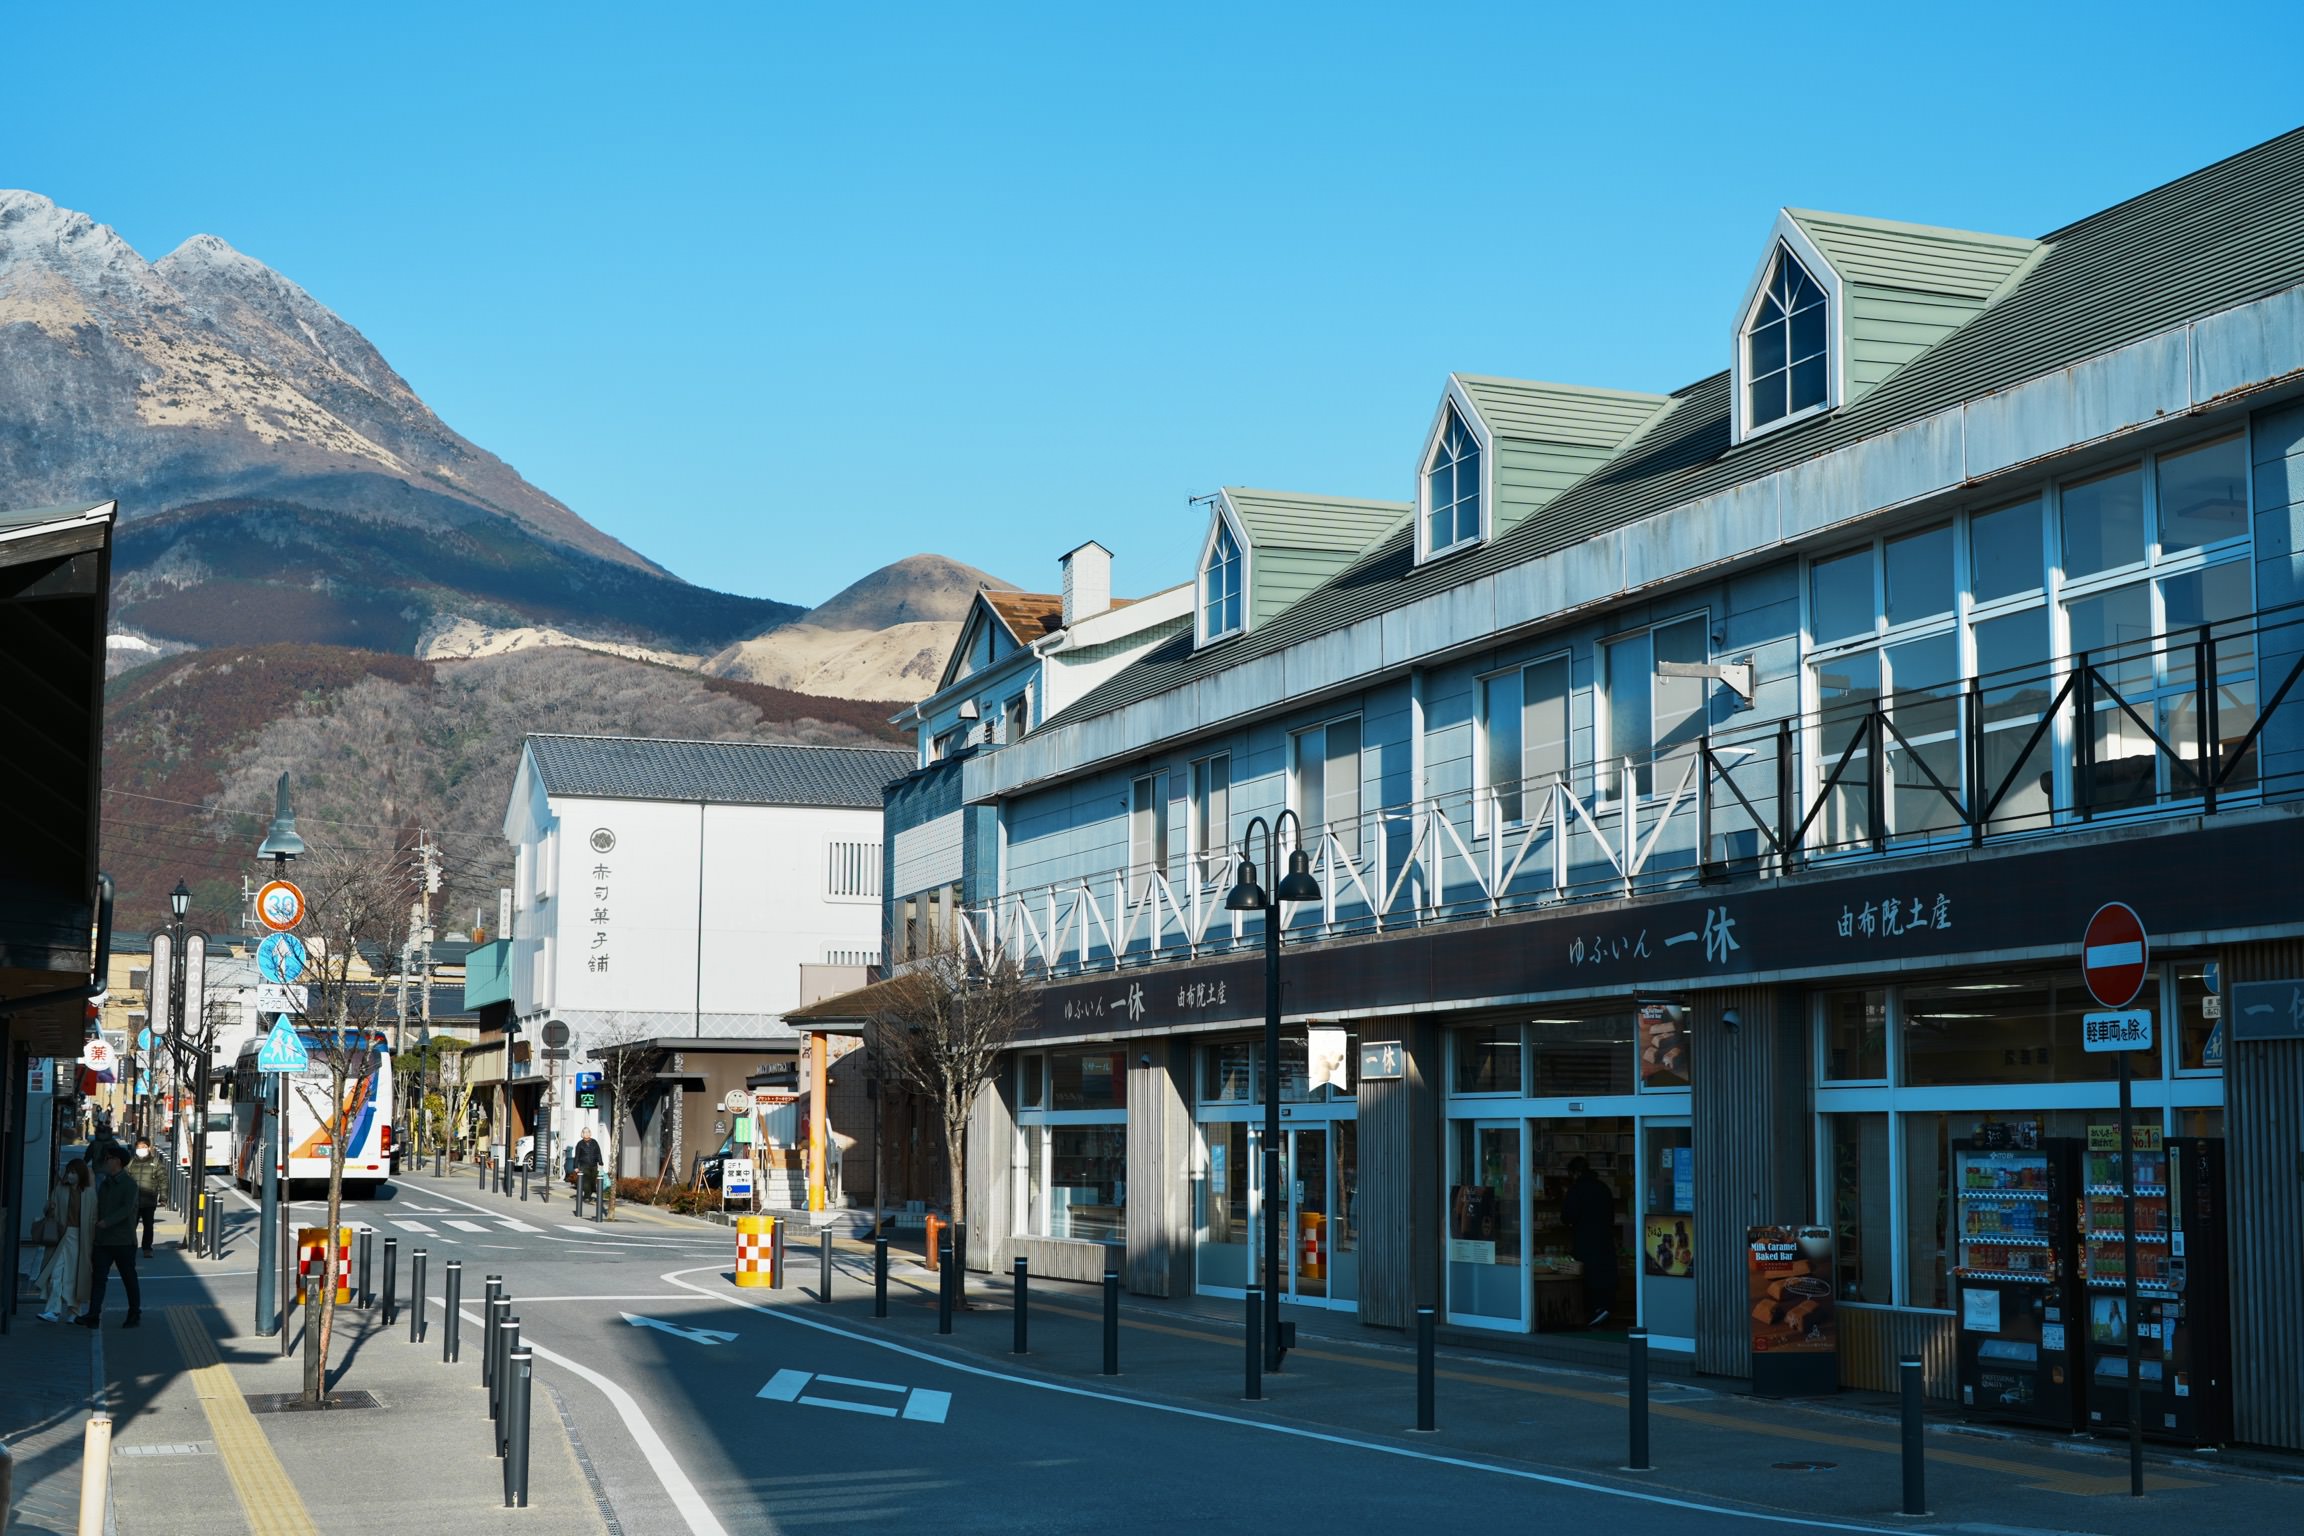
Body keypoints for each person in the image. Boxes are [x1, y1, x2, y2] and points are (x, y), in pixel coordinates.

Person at [80, 1148, 142, 1329]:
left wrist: (107, 1222)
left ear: (118, 1161)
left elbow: (127, 1209)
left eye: (109, 1158)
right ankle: (93, 1315)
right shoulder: (105, 1182)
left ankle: (134, 1313)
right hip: (103, 1241)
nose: (106, 1161)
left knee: (128, 1278)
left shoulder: (129, 1184)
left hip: (123, 1241)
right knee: (98, 1279)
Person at [34, 1160, 97, 1322]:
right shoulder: (60, 1189)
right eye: (68, 1172)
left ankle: (74, 1311)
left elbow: (93, 1218)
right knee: (55, 1272)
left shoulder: (89, 1193)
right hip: (60, 1235)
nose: (70, 1175)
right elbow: (48, 1209)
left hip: (80, 1237)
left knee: (74, 1275)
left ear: (81, 1174)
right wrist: (50, 1208)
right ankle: (53, 1310)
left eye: (74, 1172)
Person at [1562, 1156, 1618, 1328]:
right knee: (1603, 1273)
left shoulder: (1576, 1190)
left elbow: (1567, 1216)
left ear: (1575, 1173)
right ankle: (1604, 1306)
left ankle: (1594, 1310)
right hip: (1604, 1239)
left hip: (1584, 1239)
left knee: (1587, 1275)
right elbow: (1611, 1215)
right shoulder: (1603, 1188)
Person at [126, 1134, 167, 1255]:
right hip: (133, 1200)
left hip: (149, 1200)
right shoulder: (131, 1162)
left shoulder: (156, 1163)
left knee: (148, 1225)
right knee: (131, 1225)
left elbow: (163, 1180)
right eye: (139, 1147)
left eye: (144, 1147)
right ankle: (130, 1247)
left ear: (149, 1148)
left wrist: (163, 1197)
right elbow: (124, 1179)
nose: (141, 1149)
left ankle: (147, 1248)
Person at [573, 1128, 604, 1212]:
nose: (586, 1134)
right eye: (585, 1132)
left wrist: (600, 1162)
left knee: (592, 1181)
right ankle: (587, 1197)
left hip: (594, 1165)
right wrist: (575, 1166)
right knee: (586, 1181)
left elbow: (598, 1153)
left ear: (590, 1133)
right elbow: (577, 1156)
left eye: (588, 1132)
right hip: (584, 1165)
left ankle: (590, 1193)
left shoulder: (594, 1142)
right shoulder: (580, 1144)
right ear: (582, 1134)